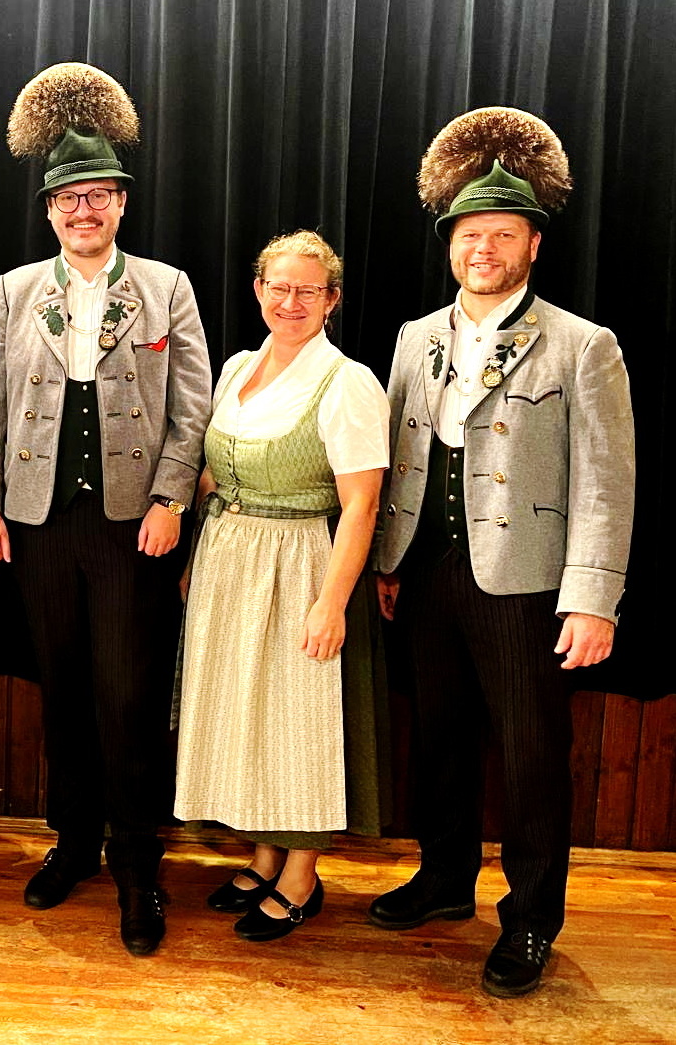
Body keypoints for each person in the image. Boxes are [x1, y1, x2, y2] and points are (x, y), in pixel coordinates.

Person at [370, 108, 635, 997]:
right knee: (438, 739)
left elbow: (605, 481)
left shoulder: (582, 344)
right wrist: (387, 562)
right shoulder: (416, 336)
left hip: (525, 583)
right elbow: (400, 453)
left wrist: (591, 596)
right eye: (469, 235)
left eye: (501, 235)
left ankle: (529, 919)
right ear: (451, 244)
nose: (482, 248)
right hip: (427, 569)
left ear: (532, 246)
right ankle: (444, 878)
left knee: (528, 756)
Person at [0, 63, 212, 955]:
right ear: (49, 210)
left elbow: (193, 405)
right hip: (36, 521)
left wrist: (170, 496)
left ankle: (137, 865)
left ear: (120, 205)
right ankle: (72, 842)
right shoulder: (12, 290)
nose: (84, 210)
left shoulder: (166, 287)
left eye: (98, 196)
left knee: (129, 693)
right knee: (63, 687)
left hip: (129, 524)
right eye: (69, 198)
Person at [174, 231, 390, 942]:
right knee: (249, 710)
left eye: (307, 290)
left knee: (299, 719)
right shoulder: (238, 366)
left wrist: (331, 602)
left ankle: (300, 873)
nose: (290, 301)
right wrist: (193, 557)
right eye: (278, 287)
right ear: (258, 290)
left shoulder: (348, 382)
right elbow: (212, 472)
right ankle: (264, 853)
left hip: (300, 561)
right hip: (229, 558)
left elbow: (361, 504)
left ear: (331, 300)